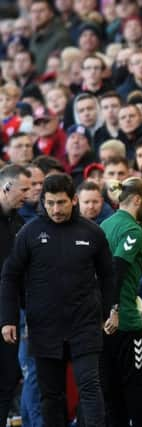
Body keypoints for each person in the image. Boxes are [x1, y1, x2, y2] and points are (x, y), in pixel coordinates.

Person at [1, 173, 115, 427]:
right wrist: (8, 318)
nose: (55, 209)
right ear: (43, 201)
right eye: (50, 203)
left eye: (61, 202)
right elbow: (9, 276)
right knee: (51, 395)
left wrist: (111, 310)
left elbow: (108, 275)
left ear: (74, 200)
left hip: (84, 324)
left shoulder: (92, 232)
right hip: (44, 326)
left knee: (90, 387)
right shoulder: (29, 232)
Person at [100, 177, 142, 427]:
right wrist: (115, 309)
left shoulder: (104, 225)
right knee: (135, 386)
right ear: (136, 200)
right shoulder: (133, 230)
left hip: (101, 321)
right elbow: (117, 267)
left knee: (111, 391)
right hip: (125, 322)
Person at [0, 165, 30, 426]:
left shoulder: (19, 222)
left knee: (9, 376)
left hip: (10, 313)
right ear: (6, 188)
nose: (28, 195)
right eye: (24, 189)